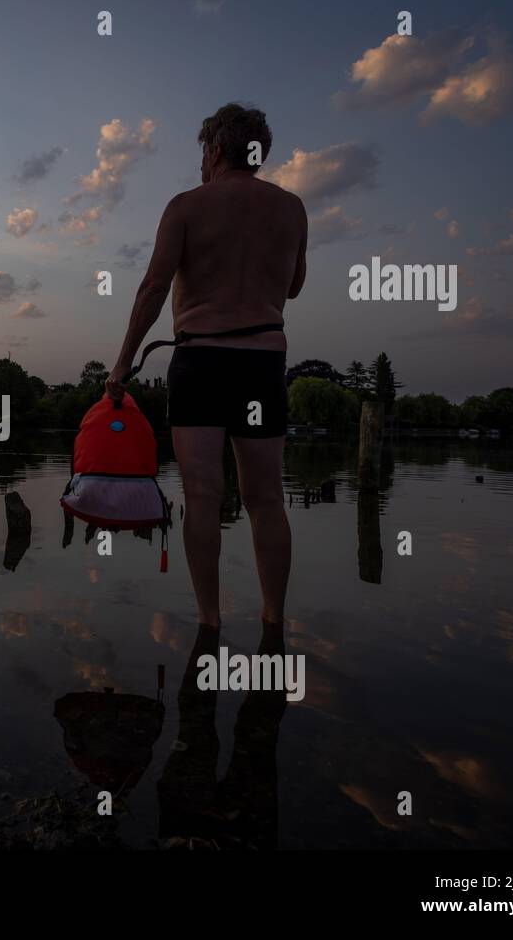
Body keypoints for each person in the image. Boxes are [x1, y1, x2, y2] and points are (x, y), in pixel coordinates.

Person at [106, 103, 307, 629]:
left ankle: (210, 623)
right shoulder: (292, 209)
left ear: (215, 150)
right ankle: (272, 621)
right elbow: (294, 286)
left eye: (202, 152)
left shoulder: (185, 207)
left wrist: (122, 365)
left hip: (200, 363)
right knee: (265, 497)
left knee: (202, 496)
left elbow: (153, 287)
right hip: (262, 364)